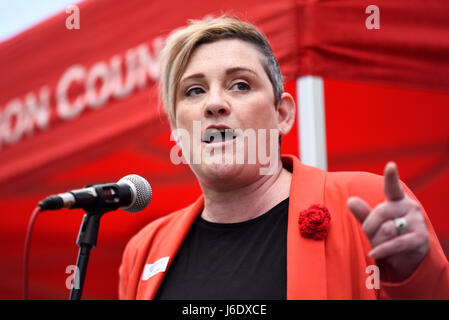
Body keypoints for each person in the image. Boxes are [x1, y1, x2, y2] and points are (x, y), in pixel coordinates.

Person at [118, 15, 449, 300]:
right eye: (194, 90)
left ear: (283, 114)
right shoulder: (144, 250)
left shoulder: (367, 203)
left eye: (240, 85)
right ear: (177, 130)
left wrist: (416, 273)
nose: (214, 103)